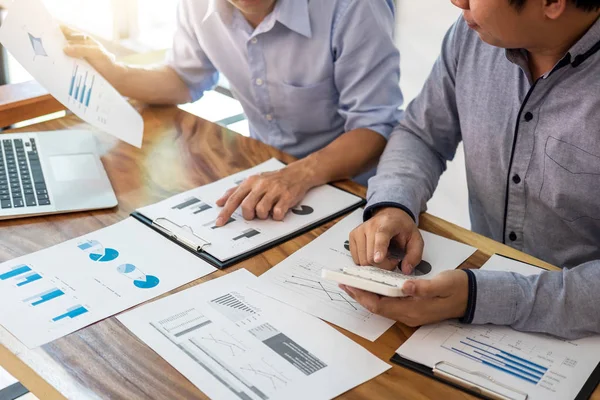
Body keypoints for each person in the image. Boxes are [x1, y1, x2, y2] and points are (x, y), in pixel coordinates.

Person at [346, 0, 600, 340]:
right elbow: (421, 135)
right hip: (471, 288)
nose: (456, 1)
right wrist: (394, 203)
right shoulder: (472, 38)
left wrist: (483, 297)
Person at [62, 0, 403, 226]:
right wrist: (115, 72)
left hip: (352, 189)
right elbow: (184, 78)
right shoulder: (198, 6)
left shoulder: (354, 7)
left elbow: (375, 127)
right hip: (264, 177)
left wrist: (297, 175)